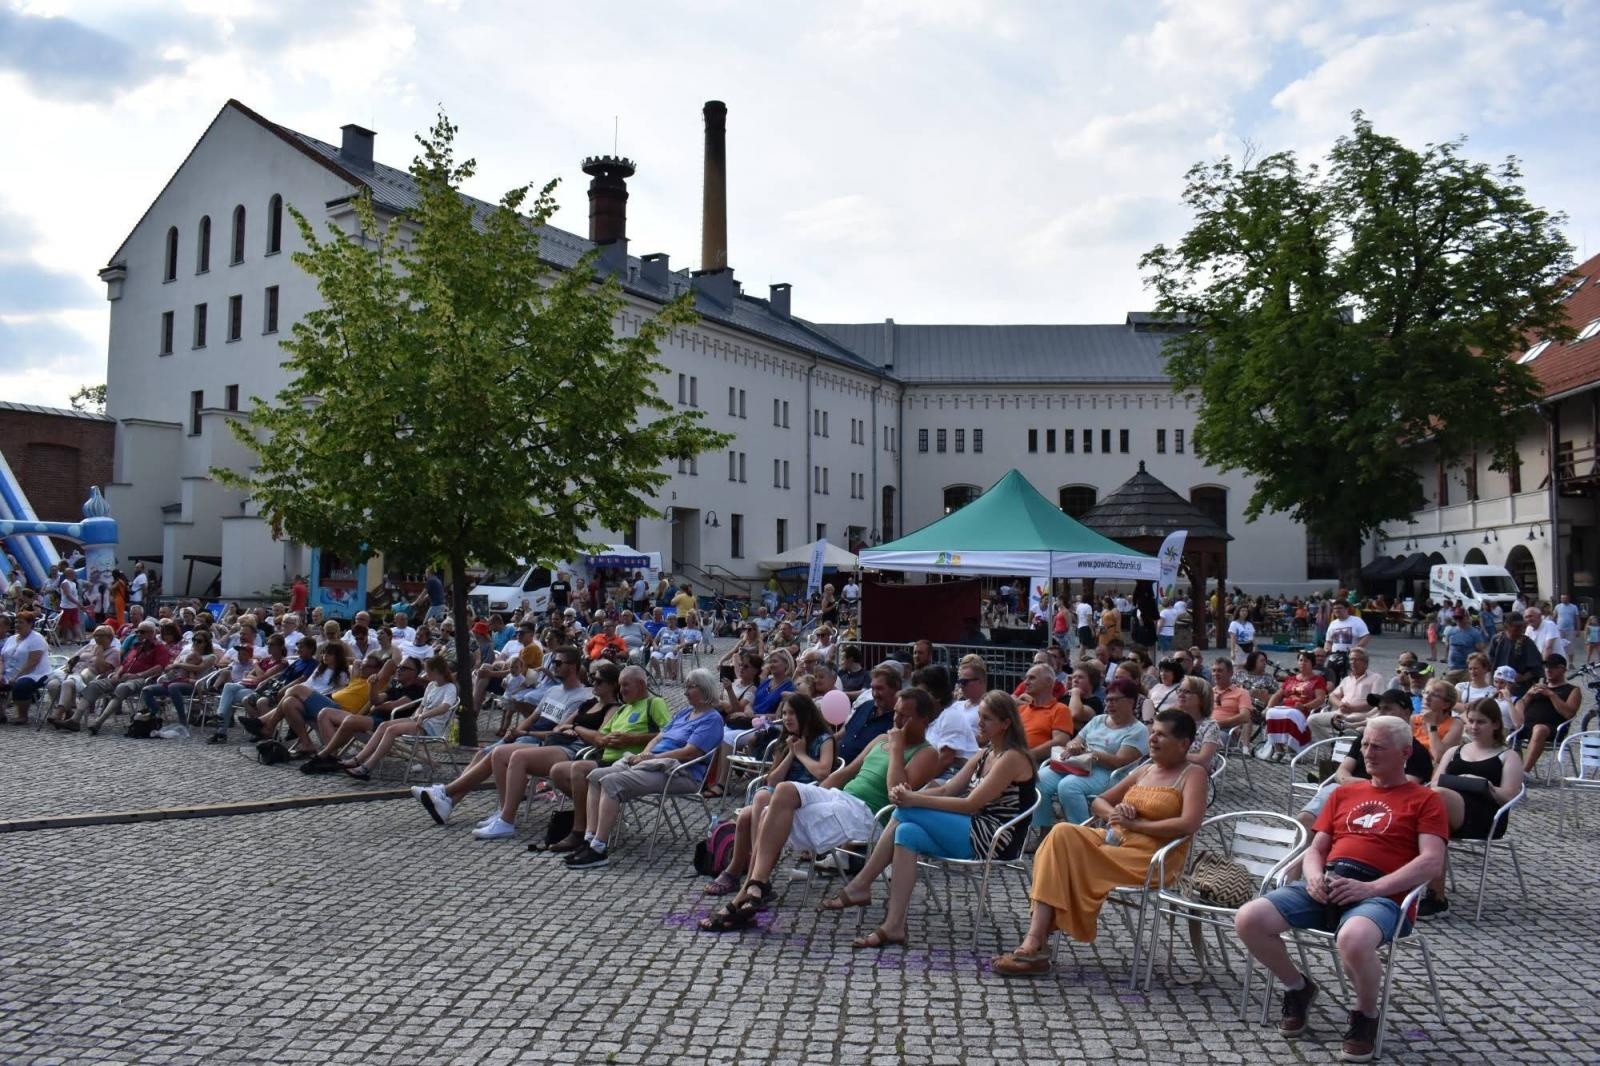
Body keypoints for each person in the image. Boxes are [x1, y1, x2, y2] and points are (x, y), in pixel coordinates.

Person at [1234, 715, 1448, 1063]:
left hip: (1383, 895)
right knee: (1249, 918)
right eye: (1364, 745)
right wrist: (1315, 875)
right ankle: (1298, 988)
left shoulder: (1425, 800)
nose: (1368, 753)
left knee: (1353, 939)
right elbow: (1316, 848)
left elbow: (1431, 862)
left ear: (1405, 751)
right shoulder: (1345, 792)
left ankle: (1365, 1014)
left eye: (1378, 746)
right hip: (1330, 881)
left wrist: (1371, 888)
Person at [699, 686, 950, 931]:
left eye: (905, 715)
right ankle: (757, 884)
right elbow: (847, 772)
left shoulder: (926, 753)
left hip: (869, 815)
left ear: (924, 720)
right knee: (784, 792)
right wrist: (817, 793)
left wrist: (896, 750)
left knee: (767, 814)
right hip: (841, 798)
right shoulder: (881, 738)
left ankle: (747, 893)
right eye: (896, 712)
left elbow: (897, 792)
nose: (897, 719)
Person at [990, 709, 1206, 976]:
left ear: (1183, 743)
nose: (1152, 739)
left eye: (1161, 735)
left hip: (1151, 858)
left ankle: (1035, 945)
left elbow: (1189, 824)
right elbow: (1099, 802)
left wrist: (1138, 825)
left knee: (1065, 861)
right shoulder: (1145, 770)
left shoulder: (1192, 774)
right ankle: (1036, 942)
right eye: (1152, 733)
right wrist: (1116, 813)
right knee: (1060, 834)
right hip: (1115, 841)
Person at [820, 690, 1037, 949]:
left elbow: (970, 804)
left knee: (906, 812)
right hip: (973, 828)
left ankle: (861, 884)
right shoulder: (986, 753)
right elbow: (948, 789)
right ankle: (894, 925)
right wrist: (910, 794)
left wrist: (914, 800)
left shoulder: (1012, 757)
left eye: (986, 719)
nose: (979, 723)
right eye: (979, 716)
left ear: (1006, 723)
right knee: (906, 832)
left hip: (995, 837)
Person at [564, 667, 727, 869]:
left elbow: (689, 753)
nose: (685, 692)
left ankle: (599, 848)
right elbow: (659, 736)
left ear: (704, 690)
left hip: (680, 772)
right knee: (595, 776)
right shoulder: (685, 713)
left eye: (690, 687)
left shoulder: (712, 719)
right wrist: (643, 755)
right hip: (654, 765)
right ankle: (589, 839)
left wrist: (654, 757)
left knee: (611, 782)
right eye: (685, 687)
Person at [702, 692, 837, 896]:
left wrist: (801, 753)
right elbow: (772, 780)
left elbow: (823, 772)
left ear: (805, 715)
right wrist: (791, 754)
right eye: (784, 713)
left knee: (762, 797)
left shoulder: (824, 739)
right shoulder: (785, 740)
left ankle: (755, 876)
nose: (787, 718)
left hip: (810, 799)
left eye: (792, 713)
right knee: (747, 815)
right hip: (780, 799)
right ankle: (738, 872)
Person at [1421, 698, 1524, 918]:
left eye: (1481, 722)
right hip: (1444, 813)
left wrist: (1483, 784)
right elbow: (1435, 782)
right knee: (1430, 817)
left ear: (1495, 724)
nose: (1474, 727)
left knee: (1435, 803)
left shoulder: (1508, 756)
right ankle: (1433, 895)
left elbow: (1509, 796)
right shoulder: (1454, 752)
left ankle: (1434, 896)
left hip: (1485, 816)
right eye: (1471, 722)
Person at [1294, 688, 1435, 832]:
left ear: (1406, 712)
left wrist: (1360, 786)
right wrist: (1354, 784)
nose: (1381, 713)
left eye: (1388, 709)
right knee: (1306, 818)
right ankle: (1305, 852)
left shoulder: (1416, 751)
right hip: (1345, 791)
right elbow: (1342, 771)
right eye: (1379, 709)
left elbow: (1404, 789)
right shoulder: (1363, 739)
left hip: (1384, 802)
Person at [1032, 677, 1148, 829]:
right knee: (1038, 779)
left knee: (1068, 786)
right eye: (1108, 700)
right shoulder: (1098, 720)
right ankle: (1042, 829)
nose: (1109, 704)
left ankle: (1082, 833)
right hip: (1077, 764)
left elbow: (1119, 761)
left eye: (1115, 700)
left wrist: (1090, 752)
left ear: (1131, 701)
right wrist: (1074, 745)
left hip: (1108, 772)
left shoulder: (1138, 730)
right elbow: (1074, 740)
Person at [343, 656, 457, 779]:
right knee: (383, 725)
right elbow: (423, 705)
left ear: (435, 671)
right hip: (420, 721)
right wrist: (417, 715)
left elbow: (445, 707)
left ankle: (367, 767)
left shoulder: (450, 688)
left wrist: (423, 715)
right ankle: (358, 759)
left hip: (432, 727)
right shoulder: (431, 686)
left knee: (392, 730)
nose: (424, 674)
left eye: (427, 671)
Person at [1514, 653, 1580, 774]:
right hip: (1527, 725)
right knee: (1502, 724)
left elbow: (1569, 714)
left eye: (1552, 667)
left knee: (1539, 729)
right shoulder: (1537, 687)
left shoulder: (1572, 690)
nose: (1548, 670)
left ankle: (1523, 773)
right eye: (1546, 667)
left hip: (1552, 729)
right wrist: (1528, 695)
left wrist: (1551, 695)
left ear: (1563, 669)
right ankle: (1501, 770)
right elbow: (1519, 707)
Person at [1307, 648, 1387, 745]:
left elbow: (1377, 702)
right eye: (1351, 659)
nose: (1353, 662)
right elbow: (1332, 695)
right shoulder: (1346, 679)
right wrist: (1340, 704)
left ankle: (1344, 749)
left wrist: (1353, 708)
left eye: (1357, 659)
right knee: (1312, 720)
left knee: (1349, 728)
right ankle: (1333, 746)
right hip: (1341, 713)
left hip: (1361, 715)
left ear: (1366, 663)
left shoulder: (1376, 678)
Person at [1263, 651, 1329, 760]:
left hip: (1304, 710)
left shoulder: (1318, 680)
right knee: (1271, 712)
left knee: (1290, 713)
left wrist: (1305, 706)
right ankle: (1278, 749)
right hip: (1286, 707)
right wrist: (1268, 707)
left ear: (1312, 663)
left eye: (1306, 661)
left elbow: (1320, 699)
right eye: (1301, 660)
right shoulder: (1291, 679)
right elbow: (1277, 695)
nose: (1303, 663)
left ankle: (1292, 749)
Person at [837, 664, 900, 764]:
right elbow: (845, 731)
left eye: (879, 688)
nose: (874, 694)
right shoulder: (865, 706)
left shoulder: (898, 721)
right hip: (835, 764)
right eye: (872, 689)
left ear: (895, 689)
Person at [0, 611, 51, 723]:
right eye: (16, 622)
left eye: (21, 622)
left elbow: (33, 661)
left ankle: (22, 715)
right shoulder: (11, 639)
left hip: (34, 673)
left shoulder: (37, 639)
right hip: (10, 672)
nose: (17, 625)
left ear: (30, 624)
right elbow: (2, 659)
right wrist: (1, 673)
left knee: (21, 684)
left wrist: (16, 676)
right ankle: (1, 713)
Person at [1016, 663, 1073, 760]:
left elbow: (1060, 741)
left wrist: (1026, 757)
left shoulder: (1060, 709)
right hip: (1011, 757)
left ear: (1049, 682)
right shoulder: (1021, 708)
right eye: (1025, 678)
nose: (1025, 682)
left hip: (1034, 763)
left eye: (1032, 678)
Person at [1414, 679, 1464, 760]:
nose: (1427, 697)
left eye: (1435, 695)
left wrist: (1431, 724)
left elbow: (1439, 756)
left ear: (1446, 704)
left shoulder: (1455, 724)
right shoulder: (1414, 719)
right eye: (1426, 693)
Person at [1210, 657, 1253, 752]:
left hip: (1227, 732)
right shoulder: (1208, 692)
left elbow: (1245, 716)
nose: (1215, 674)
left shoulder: (1241, 693)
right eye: (1214, 671)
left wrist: (1218, 724)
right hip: (1206, 729)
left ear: (1230, 673)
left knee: (1208, 740)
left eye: (1220, 671)